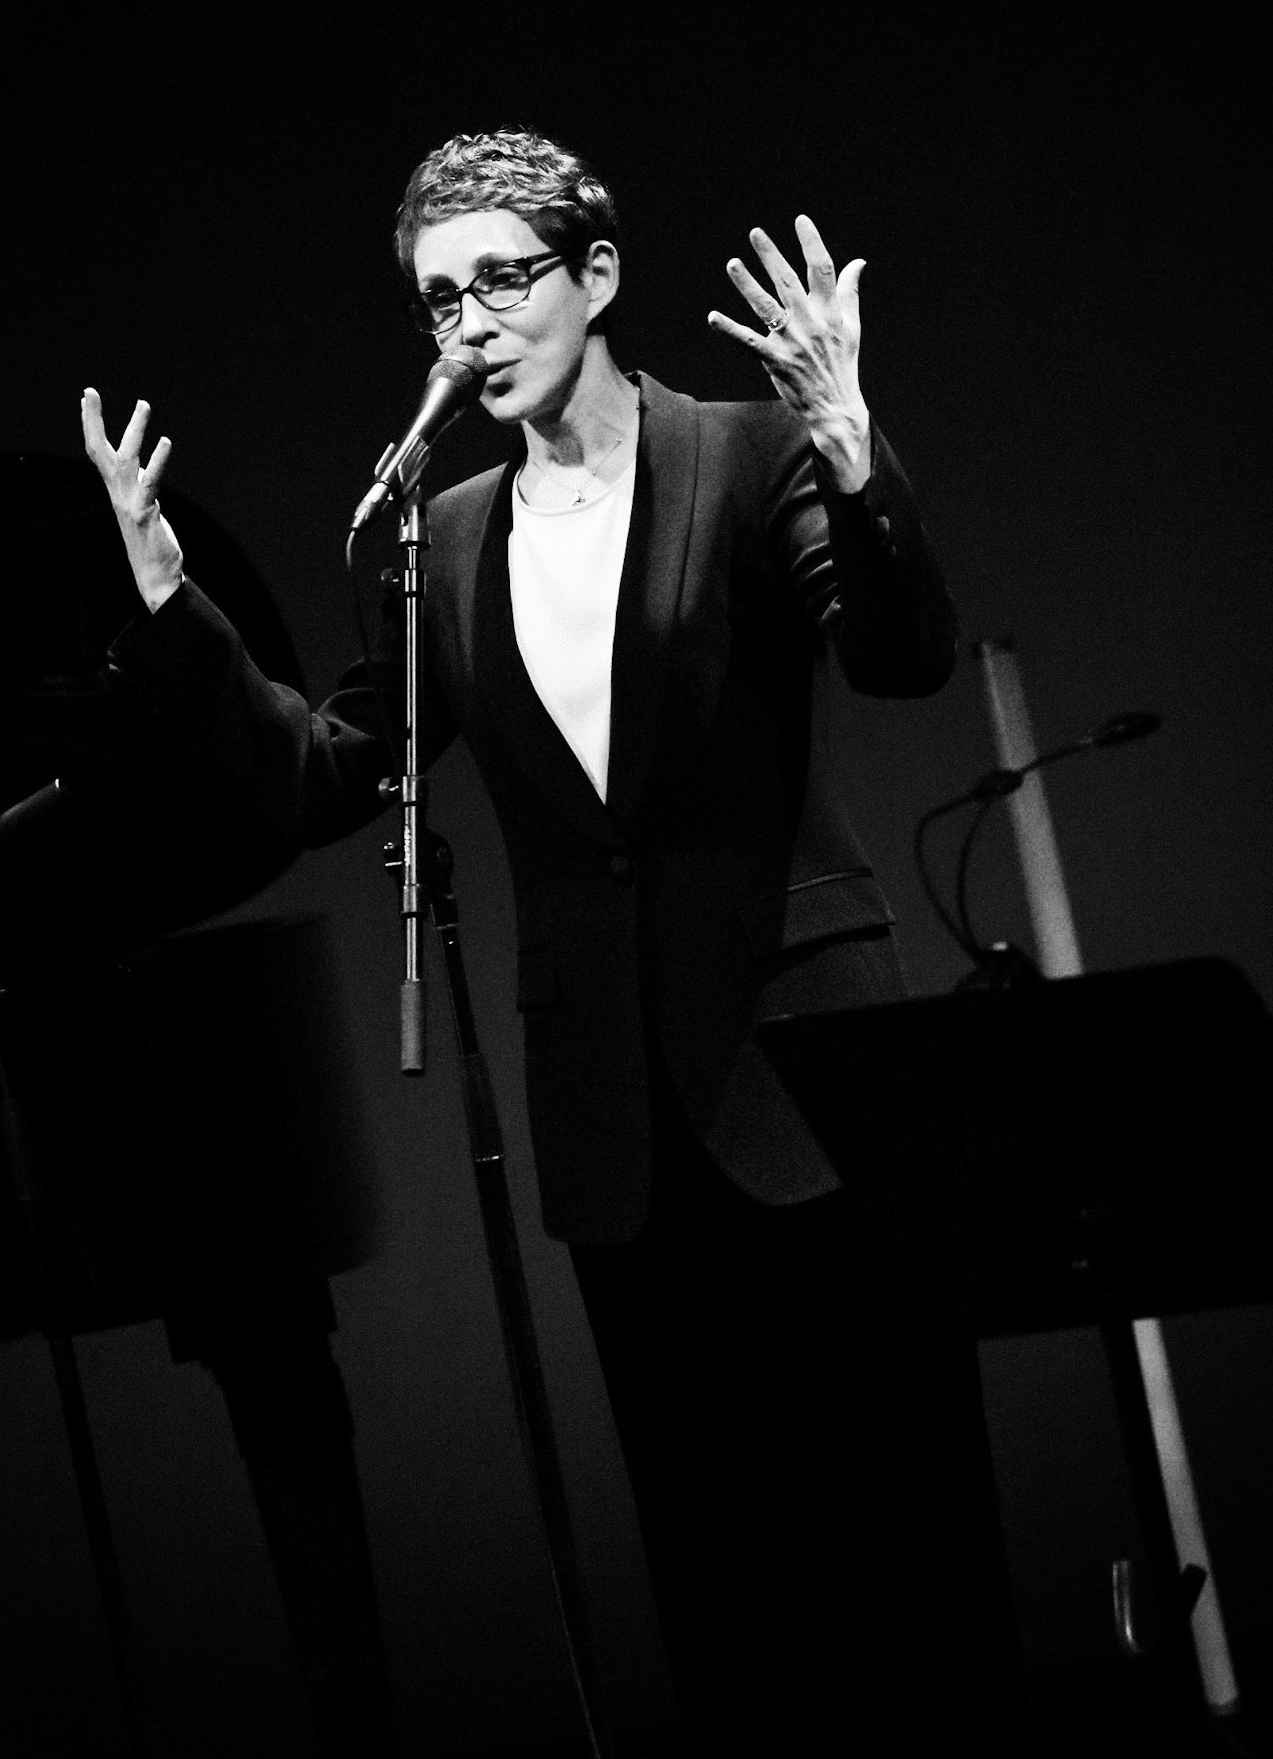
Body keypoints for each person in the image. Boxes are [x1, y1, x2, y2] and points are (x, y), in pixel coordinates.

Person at [82, 128, 1027, 1755]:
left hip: (806, 1079)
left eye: (504, 280)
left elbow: (899, 656)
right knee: (718, 1574)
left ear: (595, 277)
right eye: (438, 300)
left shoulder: (744, 457)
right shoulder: (441, 540)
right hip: (612, 1120)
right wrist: (177, 613)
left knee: (894, 1538)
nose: (471, 325)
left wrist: (852, 446)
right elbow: (328, 777)